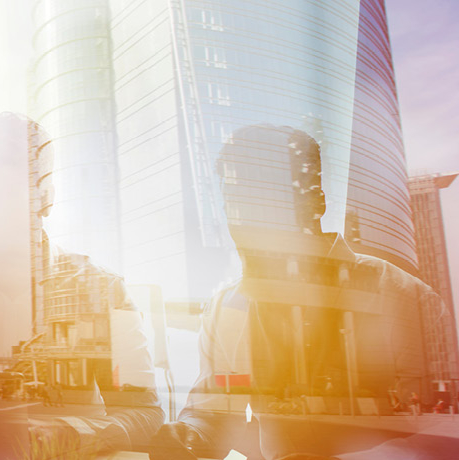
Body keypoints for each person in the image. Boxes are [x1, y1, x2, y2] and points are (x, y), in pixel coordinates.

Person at [148, 125, 459, 460]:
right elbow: (216, 411)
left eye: (265, 203)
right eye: (234, 206)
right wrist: (191, 435)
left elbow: (439, 432)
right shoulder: (225, 309)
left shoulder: (405, 298)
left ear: (316, 202)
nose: (245, 223)